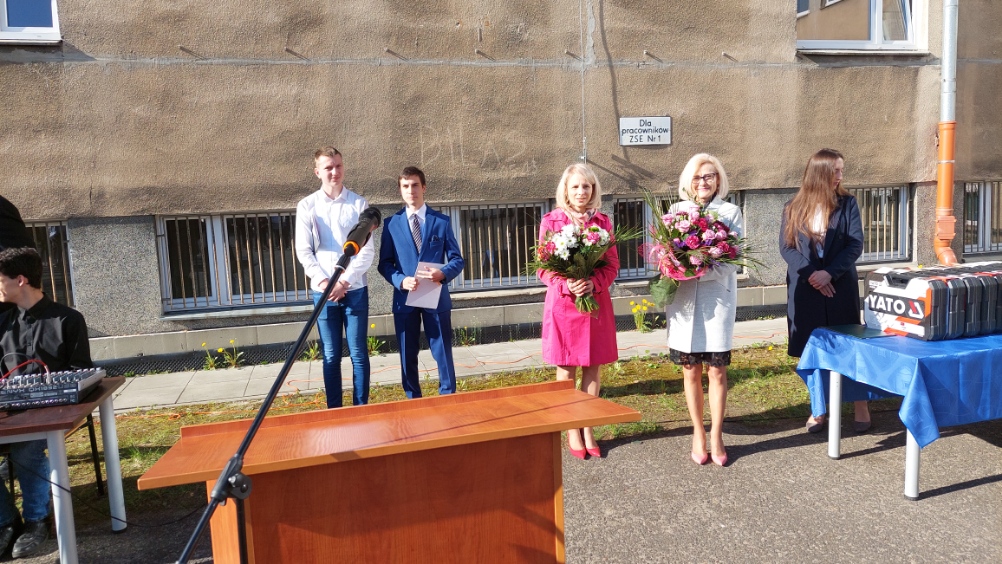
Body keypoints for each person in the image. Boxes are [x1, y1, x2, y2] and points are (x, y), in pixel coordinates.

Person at [0, 247, 94, 559]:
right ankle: (6, 522)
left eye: (0, 280)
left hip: (52, 414)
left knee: (25, 449)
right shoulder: (2, 324)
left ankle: (36, 521)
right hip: (10, 413)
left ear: (20, 280)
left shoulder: (68, 320)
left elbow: (81, 374)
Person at [779, 148, 870, 434]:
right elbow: (786, 247)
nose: (840, 176)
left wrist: (829, 273)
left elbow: (855, 244)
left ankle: (860, 405)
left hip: (839, 287)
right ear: (820, 173)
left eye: (841, 170)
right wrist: (813, 275)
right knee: (812, 350)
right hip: (806, 290)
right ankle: (818, 409)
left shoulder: (848, 204)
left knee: (848, 347)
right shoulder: (793, 207)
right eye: (836, 171)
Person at [665, 154, 743, 467]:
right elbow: (665, 255)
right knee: (691, 370)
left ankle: (717, 435)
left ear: (718, 179)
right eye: (697, 177)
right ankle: (698, 432)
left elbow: (734, 259)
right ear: (688, 181)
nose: (703, 182)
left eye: (709, 176)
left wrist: (699, 269)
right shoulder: (676, 212)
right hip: (684, 301)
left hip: (717, 298)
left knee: (717, 370)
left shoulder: (730, 212)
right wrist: (677, 267)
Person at [538, 163, 619, 460]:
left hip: (594, 303)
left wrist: (593, 283)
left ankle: (588, 426)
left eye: (586, 186)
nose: (581, 192)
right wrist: (567, 284)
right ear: (566, 190)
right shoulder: (551, 221)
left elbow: (612, 264)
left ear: (593, 190)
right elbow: (543, 267)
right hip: (564, 305)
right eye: (575, 186)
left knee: (593, 365)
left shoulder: (603, 223)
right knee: (566, 368)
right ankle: (572, 427)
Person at [295, 147, 376, 408]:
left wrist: (344, 282)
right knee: (330, 355)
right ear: (317, 172)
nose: (334, 172)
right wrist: (325, 283)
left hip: (354, 290)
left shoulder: (359, 204)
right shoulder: (307, 206)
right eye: (328, 167)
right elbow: (304, 251)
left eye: (338, 166)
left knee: (358, 353)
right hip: (323, 293)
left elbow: (366, 251)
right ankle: (334, 412)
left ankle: (360, 409)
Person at [378, 166, 465, 398]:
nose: (411, 190)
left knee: (442, 351)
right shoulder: (391, 224)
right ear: (400, 190)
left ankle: (447, 395)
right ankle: (412, 399)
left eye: (415, 185)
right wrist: (400, 280)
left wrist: (442, 273)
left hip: (435, 296)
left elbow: (457, 260)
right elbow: (384, 263)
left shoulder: (441, 221)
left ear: (423, 187)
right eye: (405, 186)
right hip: (405, 298)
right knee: (407, 353)